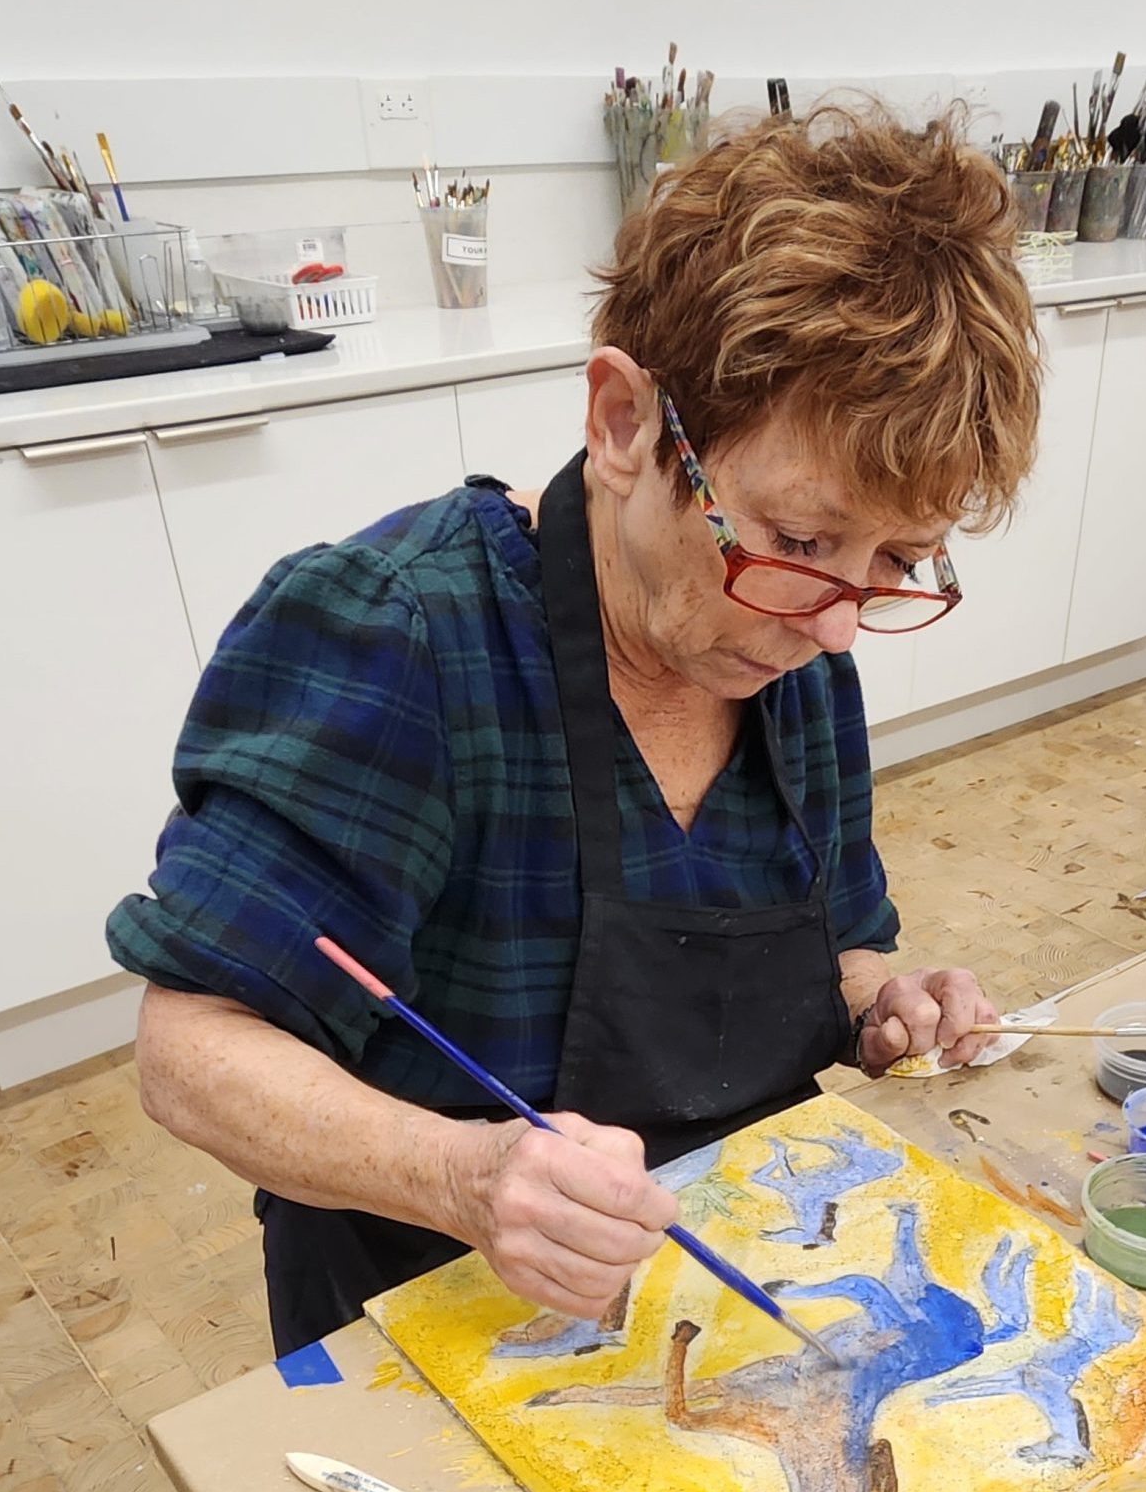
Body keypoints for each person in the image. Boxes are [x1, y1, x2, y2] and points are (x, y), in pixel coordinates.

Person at [107, 102, 1042, 1357]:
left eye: (899, 561)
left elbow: (839, 942)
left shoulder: (789, 645)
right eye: (804, 539)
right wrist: (462, 1175)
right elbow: (191, 1045)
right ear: (622, 424)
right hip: (429, 1293)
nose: (837, 626)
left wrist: (884, 1000)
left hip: (713, 1278)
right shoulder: (400, 638)